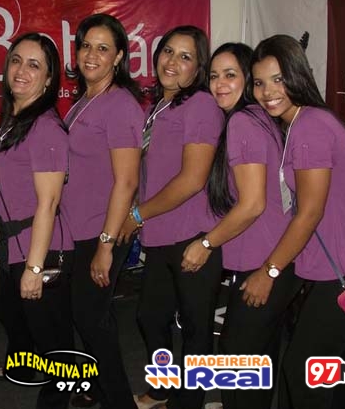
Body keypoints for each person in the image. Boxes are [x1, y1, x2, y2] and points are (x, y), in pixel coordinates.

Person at [247, 34, 345, 409]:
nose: (268, 92)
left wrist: (269, 271)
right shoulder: (304, 122)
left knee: (302, 369)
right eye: (259, 82)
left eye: (278, 79)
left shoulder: (309, 127)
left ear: (297, 75)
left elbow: (309, 212)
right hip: (344, 262)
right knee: (328, 367)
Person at [183, 42, 303, 409]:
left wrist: (205, 244)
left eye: (230, 75)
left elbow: (252, 205)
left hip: (263, 260)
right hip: (276, 256)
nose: (219, 84)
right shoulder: (258, 118)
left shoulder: (243, 122)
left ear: (249, 79)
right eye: (214, 76)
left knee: (238, 355)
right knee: (260, 354)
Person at [119, 25, 225, 409]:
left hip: (193, 235)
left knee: (196, 328)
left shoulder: (201, 105)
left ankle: (188, 403)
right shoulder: (158, 106)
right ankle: (162, 388)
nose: (172, 62)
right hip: (161, 232)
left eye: (185, 57)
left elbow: (193, 180)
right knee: (150, 317)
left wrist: (137, 214)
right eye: (168, 51)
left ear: (198, 68)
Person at [0, 32, 74, 409]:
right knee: (11, 314)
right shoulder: (15, 118)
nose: (22, 70)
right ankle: (25, 367)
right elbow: (6, 188)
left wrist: (35, 269)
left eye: (34, 65)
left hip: (42, 250)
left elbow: (48, 202)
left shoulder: (46, 128)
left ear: (49, 78)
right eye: (17, 60)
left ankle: (65, 394)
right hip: (14, 244)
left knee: (53, 341)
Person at [60, 13, 143, 409]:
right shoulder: (84, 100)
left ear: (119, 57)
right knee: (86, 315)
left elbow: (126, 182)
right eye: (86, 46)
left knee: (93, 319)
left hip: (100, 231)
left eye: (103, 48)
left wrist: (106, 246)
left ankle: (119, 400)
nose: (91, 55)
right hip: (76, 229)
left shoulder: (120, 105)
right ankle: (95, 386)